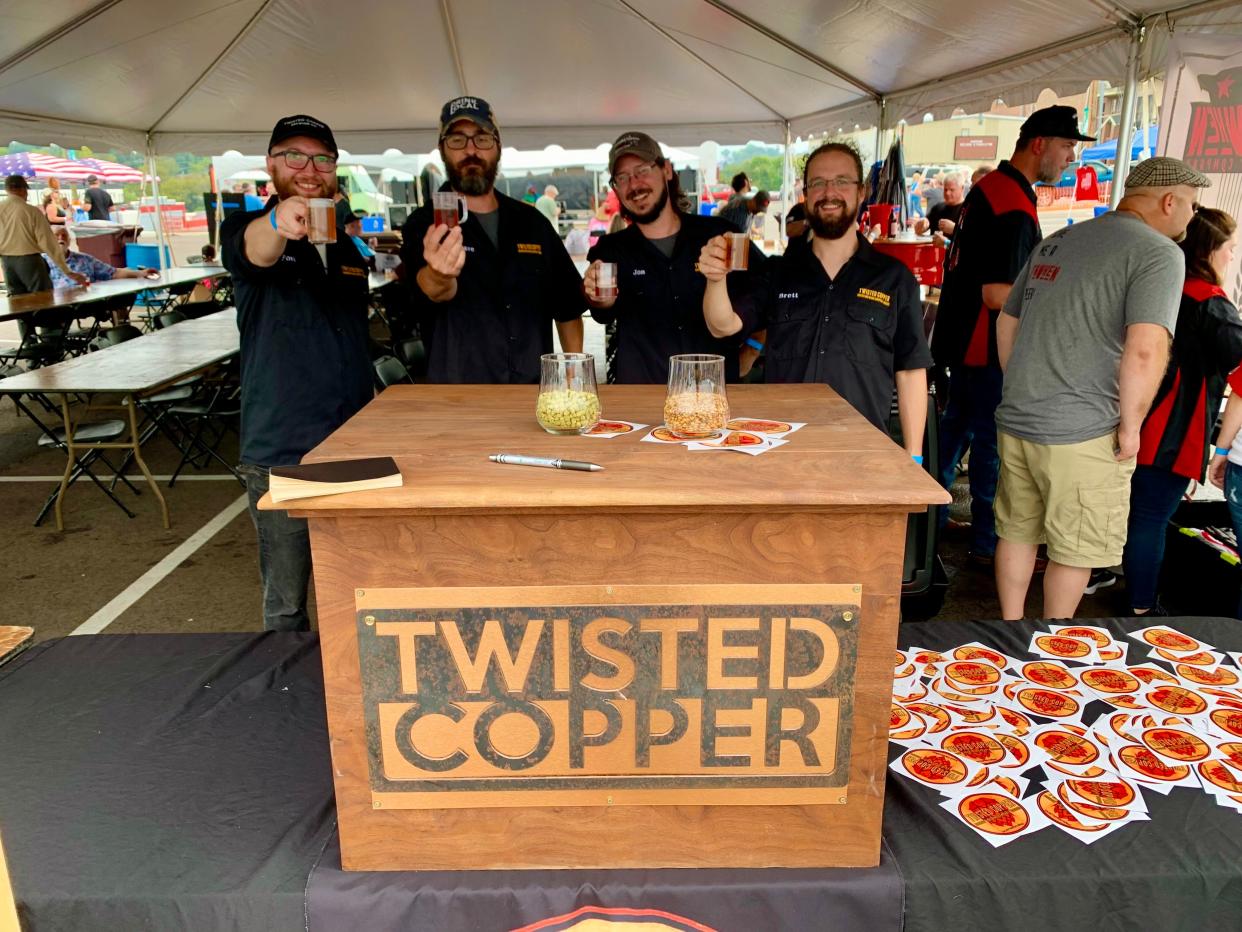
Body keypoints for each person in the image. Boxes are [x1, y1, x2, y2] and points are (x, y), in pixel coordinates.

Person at [992, 156, 1210, 621]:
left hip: (1020, 416)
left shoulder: (1060, 239)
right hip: (1085, 429)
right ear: (1170, 201)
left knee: (1017, 531)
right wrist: (1131, 427)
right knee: (1075, 548)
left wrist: (1021, 384)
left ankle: (1010, 630)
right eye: (1192, 205)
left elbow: (1007, 320)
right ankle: (1052, 646)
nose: (1193, 217)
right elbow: (1146, 348)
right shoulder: (1159, 252)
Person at [221, 114, 373, 632]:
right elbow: (254, 251)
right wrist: (280, 223)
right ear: (271, 166)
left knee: (359, 589)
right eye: (294, 156)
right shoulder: (250, 229)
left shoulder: (348, 247)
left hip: (354, 441)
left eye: (322, 158)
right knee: (286, 604)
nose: (309, 168)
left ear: (335, 169)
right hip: (282, 446)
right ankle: (285, 702)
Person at [933, 106, 1091, 568]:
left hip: (962, 341)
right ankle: (986, 541)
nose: (1070, 158)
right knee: (990, 447)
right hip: (984, 347)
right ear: (1039, 143)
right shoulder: (1011, 205)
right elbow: (997, 293)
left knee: (954, 437)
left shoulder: (991, 189)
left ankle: (931, 519)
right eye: (1066, 147)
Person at [700, 141, 932, 450]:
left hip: (862, 453)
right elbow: (723, 325)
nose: (829, 192)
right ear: (806, 195)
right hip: (780, 450)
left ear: (861, 192)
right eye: (818, 183)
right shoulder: (778, 272)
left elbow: (911, 371)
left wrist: (913, 458)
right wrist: (715, 280)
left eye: (841, 181)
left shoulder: (894, 279)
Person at [400, 96, 584, 383]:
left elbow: (568, 305)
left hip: (533, 393)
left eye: (482, 139)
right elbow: (431, 289)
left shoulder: (532, 223)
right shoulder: (424, 223)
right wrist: (439, 274)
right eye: (458, 140)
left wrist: (575, 376)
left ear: (498, 146)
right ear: (442, 149)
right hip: (458, 397)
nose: (471, 150)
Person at [1123, 208, 1241, 615]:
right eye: (1229, 248)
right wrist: (1223, 449)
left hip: (1128, 416)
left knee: (1131, 513)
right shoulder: (1212, 305)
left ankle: (1115, 583)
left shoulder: (1157, 285)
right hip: (1173, 432)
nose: (1232, 256)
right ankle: (1140, 607)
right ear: (1210, 250)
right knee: (1150, 519)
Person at [584, 131, 758, 384]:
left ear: (666, 170)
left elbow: (767, 292)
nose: (634, 184)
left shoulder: (719, 235)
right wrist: (598, 297)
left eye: (642, 170)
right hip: (640, 401)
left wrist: (753, 349)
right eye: (622, 178)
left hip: (713, 397)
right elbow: (602, 312)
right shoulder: (611, 248)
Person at [1, 174, 88, 298]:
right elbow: (49, 243)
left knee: (17, 303)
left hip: (7, 263)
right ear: (22, 189)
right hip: (29, 261)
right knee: (43, 300)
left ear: (7, 189)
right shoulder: (31, 211)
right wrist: (67, 271)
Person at [43, 226, 158, 287]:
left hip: (87, 302)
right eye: (56, 236)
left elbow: (113, 272)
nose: (61, 239)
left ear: (69, 240)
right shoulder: (42, 261)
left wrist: (140, 273)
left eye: (64, 236)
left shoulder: (84, 259)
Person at [915, 172, 965, 246]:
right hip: (935, 255)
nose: (947, 193)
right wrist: (921, 225)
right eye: (945, 189)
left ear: (962, 189)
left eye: (952, 190)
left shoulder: (968, 211)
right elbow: (920, 229)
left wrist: (953, 231)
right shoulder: (938, 208)